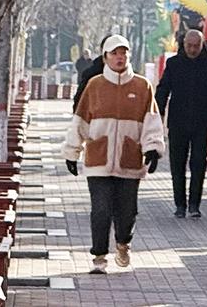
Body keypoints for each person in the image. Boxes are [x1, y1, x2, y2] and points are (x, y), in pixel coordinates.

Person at [62, 34, 165, 274]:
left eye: (123, 53)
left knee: (127, 210)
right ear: (105, 57)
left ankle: (123, 243)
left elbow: (152, 121)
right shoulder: (95, 85)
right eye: (114, 53)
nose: (119, 57)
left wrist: (152, 148)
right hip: (98, 158)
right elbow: (81, 121)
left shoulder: (142, 86)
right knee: (100, 209)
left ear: (129, 55)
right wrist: (72, 151)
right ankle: (99, 256)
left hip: (129, 159)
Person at [154, 29, 207, 218]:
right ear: (183, 45)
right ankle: (180, 204)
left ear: (202, 46)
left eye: (196, 46)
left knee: (199, 163)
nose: (192, 50)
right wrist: (157, 111)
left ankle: (194, 204)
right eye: (189, 46)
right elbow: (163, 89)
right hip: (178, 122)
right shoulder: (174, 64)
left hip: (201, 123)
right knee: (177, 164)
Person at [72, 34, 113, 109]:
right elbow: (79, 104)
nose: (117, 57)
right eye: (113, 52)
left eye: (122, 52)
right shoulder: (90, 76)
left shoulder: (135, 81)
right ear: (103, 51)